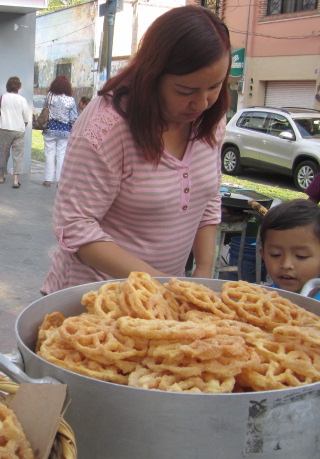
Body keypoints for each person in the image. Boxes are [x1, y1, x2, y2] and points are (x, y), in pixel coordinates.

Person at [41, 5, 231, 294]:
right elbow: (74, 225)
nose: (202, 103)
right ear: (152, 75)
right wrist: (160, 283)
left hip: (166, 296)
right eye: (185, 91)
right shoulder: (107, 126)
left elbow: (207, 197)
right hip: (94, 298)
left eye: (214, 87)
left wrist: (203, 271)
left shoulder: (210, 118)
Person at [258, 199, 320, 299]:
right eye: (275, 254)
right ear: (263, 255)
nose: (286, 265)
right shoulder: (262, 296)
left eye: (301, 256)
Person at [0, 76, 30, 189]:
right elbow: (27, 117)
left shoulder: (1, 98)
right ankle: (15, 180)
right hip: (19, 130)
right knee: (18, 155)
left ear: (7, 86)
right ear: (18, 87)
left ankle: (1, 176)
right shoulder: (22, 100)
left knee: (4, 153)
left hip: (5, 129)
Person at [42, 76, 78, 187]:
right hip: (65, 131)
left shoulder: (50, 97)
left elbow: (45, 111)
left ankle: (48, 180)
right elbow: (73, 118)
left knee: (49, 154)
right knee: (61, 155)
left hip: (50, 129)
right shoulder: (70, 100)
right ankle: (59, 181)